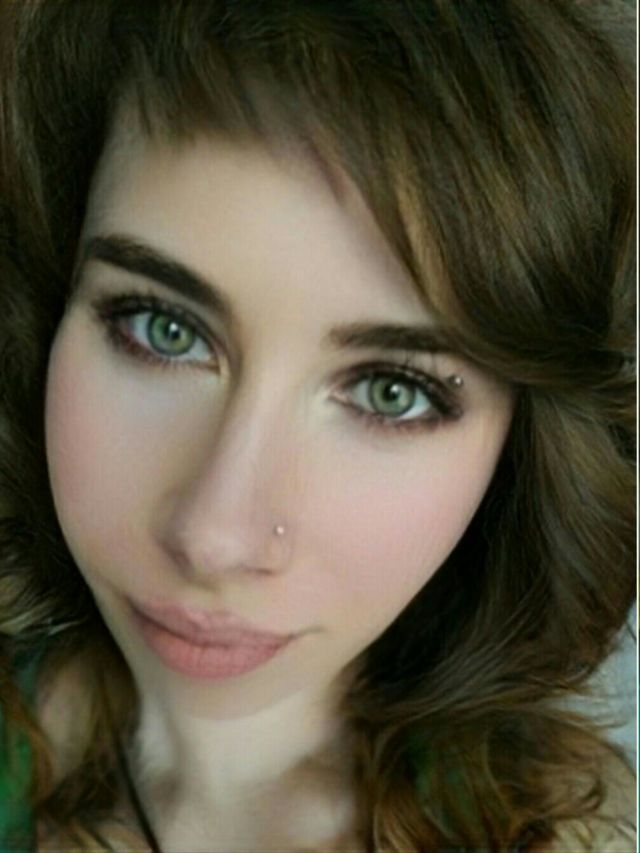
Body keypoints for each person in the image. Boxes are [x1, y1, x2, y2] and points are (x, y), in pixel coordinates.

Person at [0, 1, 635, 850]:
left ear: (523, 447)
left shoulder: (577, 831)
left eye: (389, 391)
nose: (215, 537)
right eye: (163, 328)